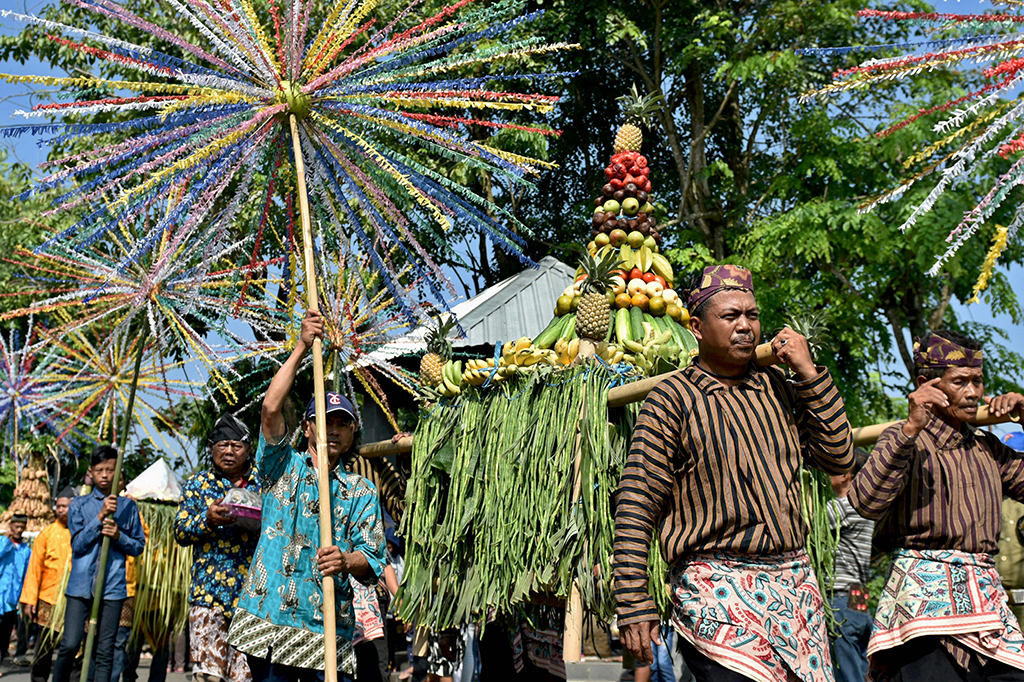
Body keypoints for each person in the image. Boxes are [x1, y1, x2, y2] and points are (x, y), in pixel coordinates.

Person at [612, 264, 854, 682]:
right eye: (730, 316)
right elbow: (637, 501)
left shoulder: (778, 386)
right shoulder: (672, 398)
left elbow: (839, 458)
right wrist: (634, 599)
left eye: (752, 315)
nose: (745, 326)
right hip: (714, 589)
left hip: (794, 586)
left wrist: (810, 374)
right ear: (697, 328)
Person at [848, 330, 1024, 681]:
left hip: (986, 606)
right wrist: (912, 425)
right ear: (926, 384)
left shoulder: (989, 449)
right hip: (922, 613)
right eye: (960, 382)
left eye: (978, 381)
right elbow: (864, 501)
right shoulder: (903, 440)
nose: (974, 393)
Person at [227, 309, 386, 682]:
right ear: (308, 427)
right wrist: (301, 346)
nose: (333, 430)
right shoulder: (284, 466)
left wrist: (346, 561)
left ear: (351, 433)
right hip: (272, 621)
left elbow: (373, 558)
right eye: (324, 422)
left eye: (342, 423)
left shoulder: (360, 490)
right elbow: (269, 410)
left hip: (327, 627)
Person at [175, 412, 260, 682]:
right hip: (207, 594)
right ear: (211, 449)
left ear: (248, 450)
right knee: (208, 676)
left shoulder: (265, 483)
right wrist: (207, 520)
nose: (229, 451)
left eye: (236, 446)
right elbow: (180, 530)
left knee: (244, 677)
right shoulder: (198, 485)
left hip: (253, 597)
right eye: (222, 445)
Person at [50, 446, 146, 682]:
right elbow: (79, 544)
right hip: (80, 587)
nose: (105, 475)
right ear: (90, 473)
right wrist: (100, 516)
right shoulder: (78, 505)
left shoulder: (128, 507)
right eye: (100, 470)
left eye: (110, 470)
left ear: (118, 473)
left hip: (113, 587)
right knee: (70, 644)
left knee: (105, 650)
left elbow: (138, 546)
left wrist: (118, 537)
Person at [827, 448, 874, 682]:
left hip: (841, 598)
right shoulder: (866, 508)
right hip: (859, 596)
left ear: (846, 475)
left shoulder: (843, 508)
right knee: (860, 666)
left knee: (847, 673)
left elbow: (802, 524)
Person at [19, 489, 74, 682]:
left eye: (64, 506)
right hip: (47, 599)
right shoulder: (47, 533)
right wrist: (30, 600)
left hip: (73, 601)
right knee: (43, 648)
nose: (60, 510)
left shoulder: (82, 532)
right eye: (58, 506)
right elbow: (34, 568)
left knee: (72, 649)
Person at [0, 514, 31, 666]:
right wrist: (6, 539)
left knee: (5, 634)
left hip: (13, 599)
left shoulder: (25, 550)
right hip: (0, 596)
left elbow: (27, 573)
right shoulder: (2, 543)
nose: (19, 530)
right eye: (16, 527)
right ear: (10, 526)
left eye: (21, 528)